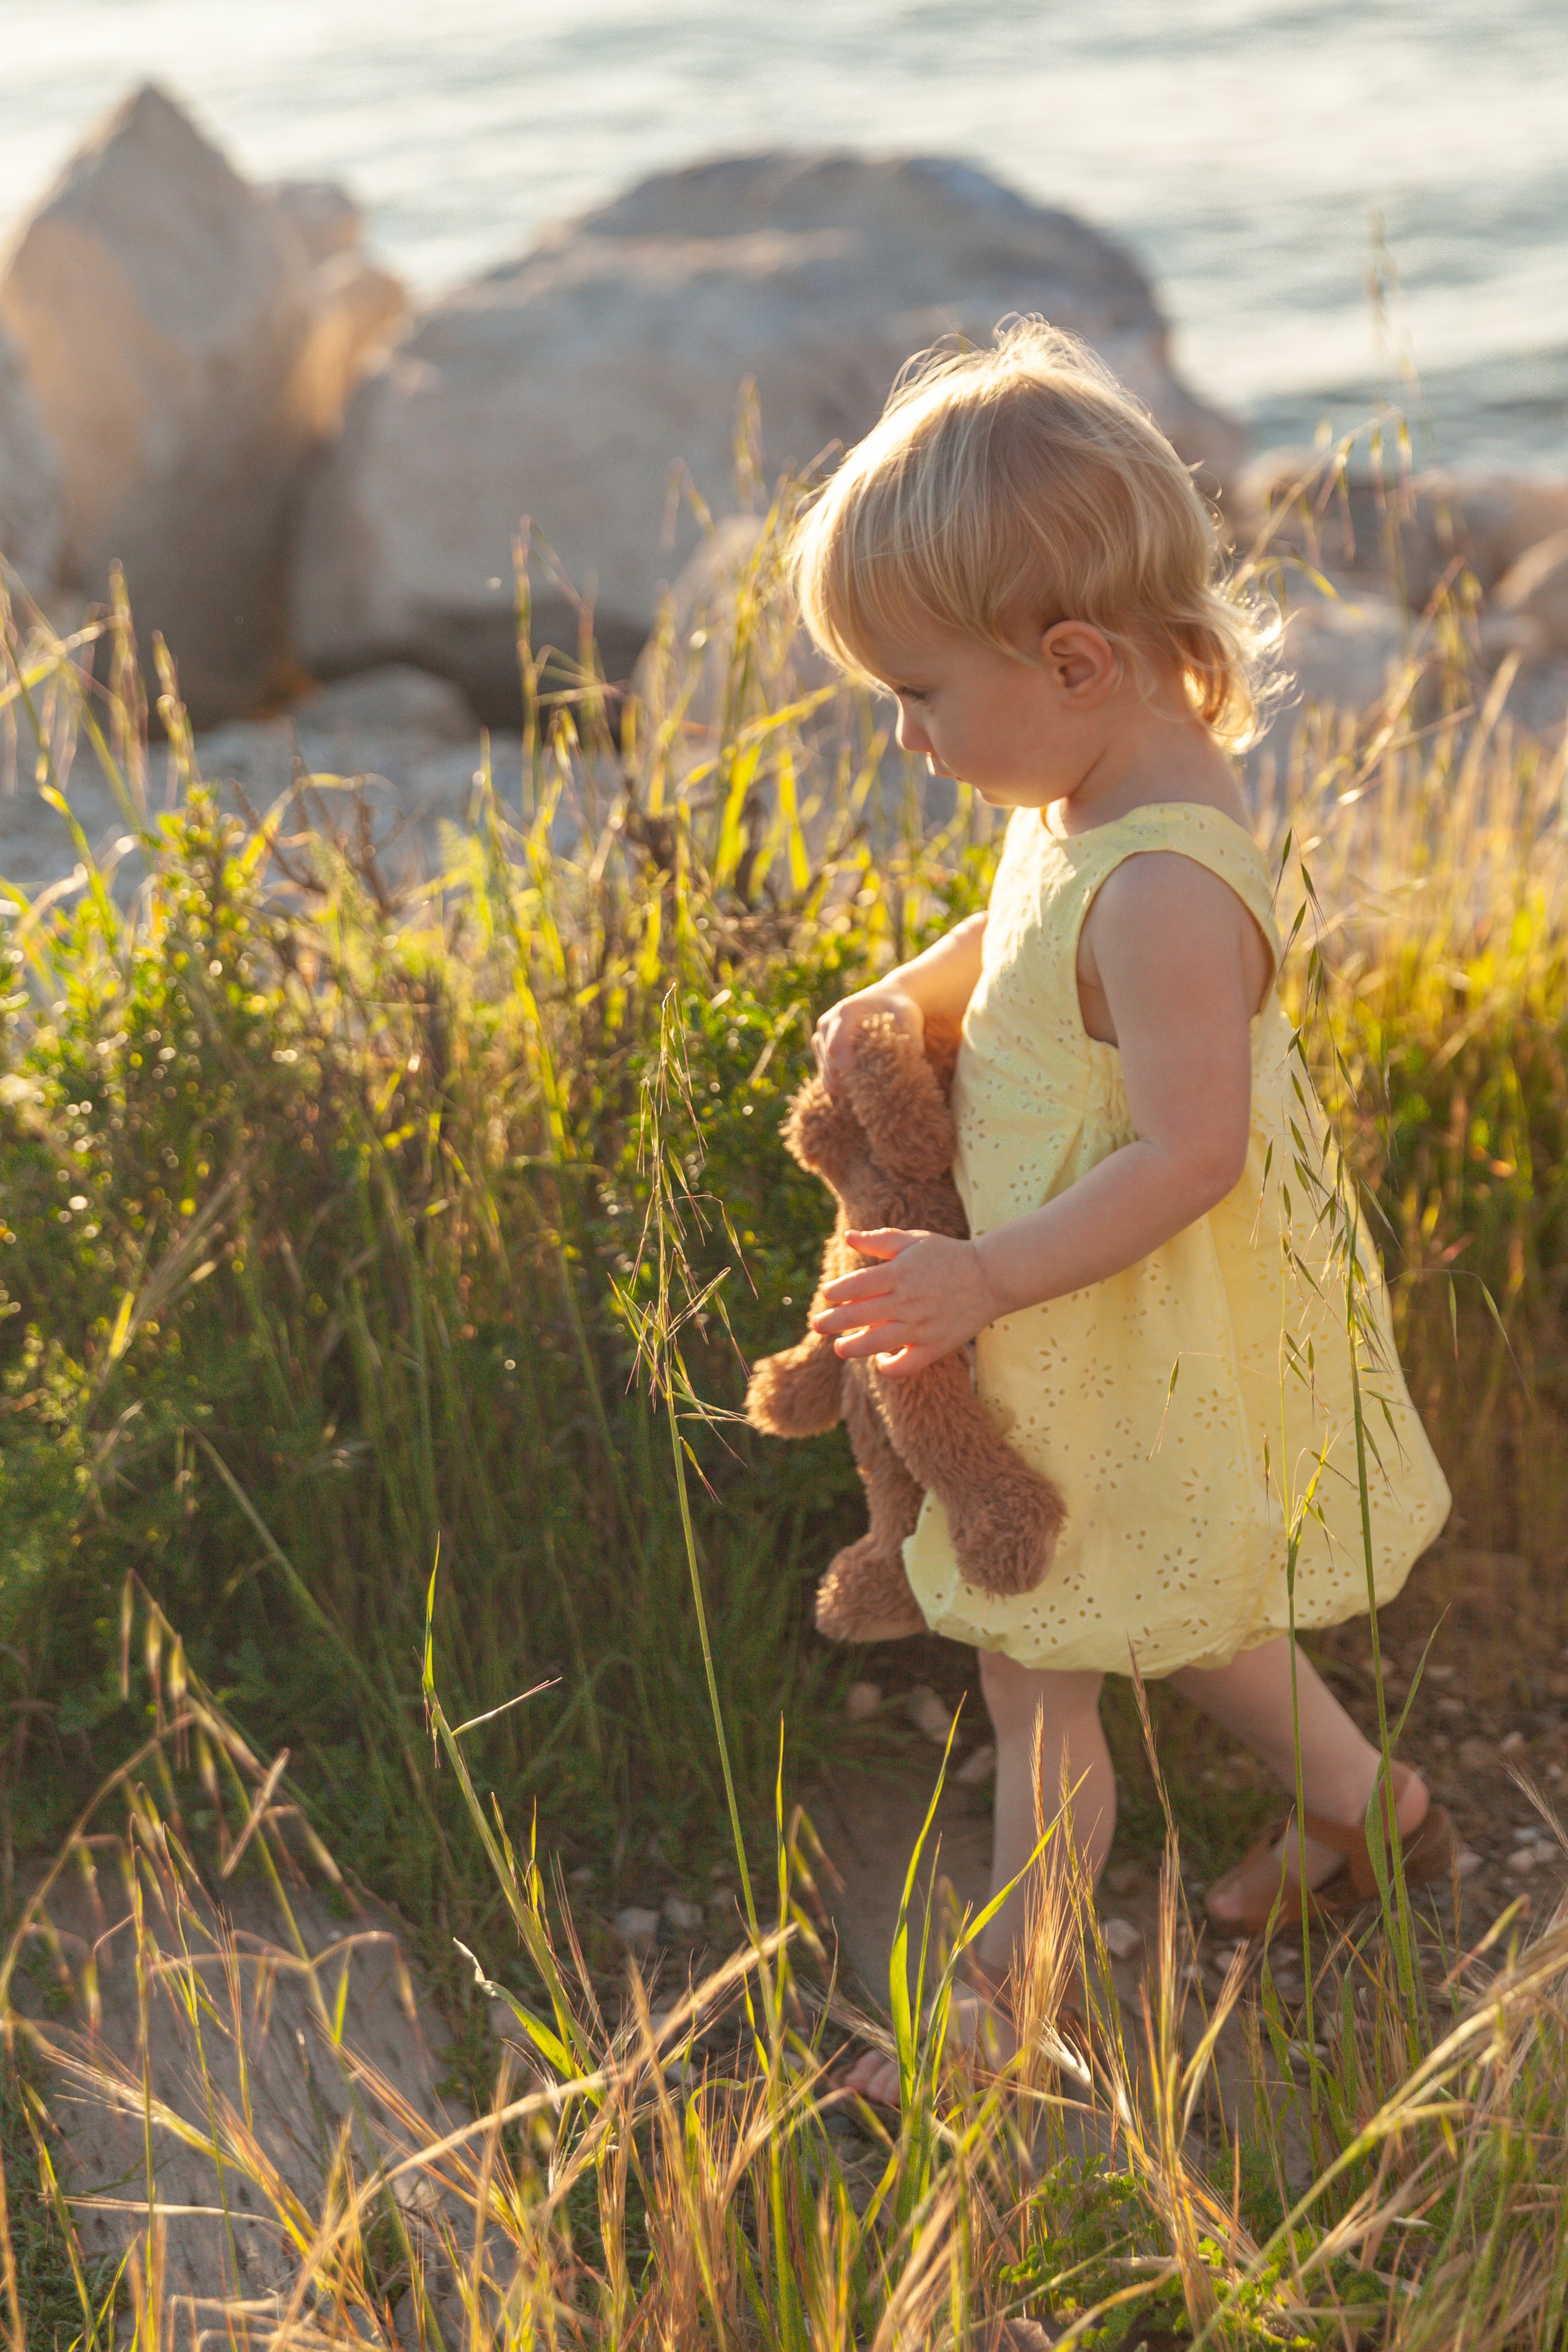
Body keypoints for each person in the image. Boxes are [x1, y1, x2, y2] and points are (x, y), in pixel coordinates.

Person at [791, 319, 1453, 2106]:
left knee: (1040, 1675)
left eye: (920, 694)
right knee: (1182, 1591)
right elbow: (1017, 935)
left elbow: (1190, 1154)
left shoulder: (1165, 886)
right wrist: (900, 1000)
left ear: (1073, 660)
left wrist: (979, 1277)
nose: (908, 736)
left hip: (1101, 1310)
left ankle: (1006, 2019)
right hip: (1086, 1317)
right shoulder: (1089, 783)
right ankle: (1374, 1813)